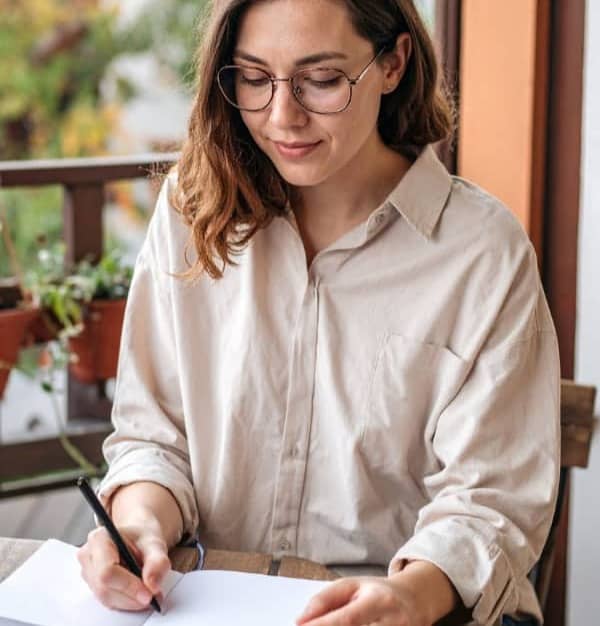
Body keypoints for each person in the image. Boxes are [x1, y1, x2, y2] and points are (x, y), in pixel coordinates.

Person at [77, 1, 560, 625]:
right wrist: (138, 520)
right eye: (253, 77)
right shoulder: (192, 212)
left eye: (323, 80)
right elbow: (155, 435)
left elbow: (490, 501)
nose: (282, 116)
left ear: (393, 63)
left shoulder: (482, 254)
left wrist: (413, 597)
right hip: (211, 603)